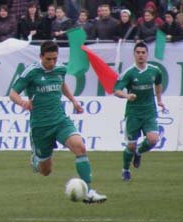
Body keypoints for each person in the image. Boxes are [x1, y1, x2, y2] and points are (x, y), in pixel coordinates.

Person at [9, 41, 107, 203]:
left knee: (80, 147)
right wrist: (22, 102)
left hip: (60, 120)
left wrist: (73, 100)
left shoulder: (60, 69)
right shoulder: (31, 72)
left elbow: (62, 84)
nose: (52, 63)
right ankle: (36, 159)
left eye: (54, 59)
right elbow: (13, 93)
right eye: (48, 59)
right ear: (41, 56)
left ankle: (89, 192)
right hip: (40, 126)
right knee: (45, 171)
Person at [114, 42, 166, 181]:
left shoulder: (155, 70)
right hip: (133, 113)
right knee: (130, 145)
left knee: (153, 140)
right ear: (134, 54)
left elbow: (158, 84)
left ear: (147, 54)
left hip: (149, 111)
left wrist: (159, 100)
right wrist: (127, 96)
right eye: (138, 52)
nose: (141, 55)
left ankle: (139, 152)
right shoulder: (129, 73)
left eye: (143, 52)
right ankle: (125, 169)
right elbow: (116, 90)